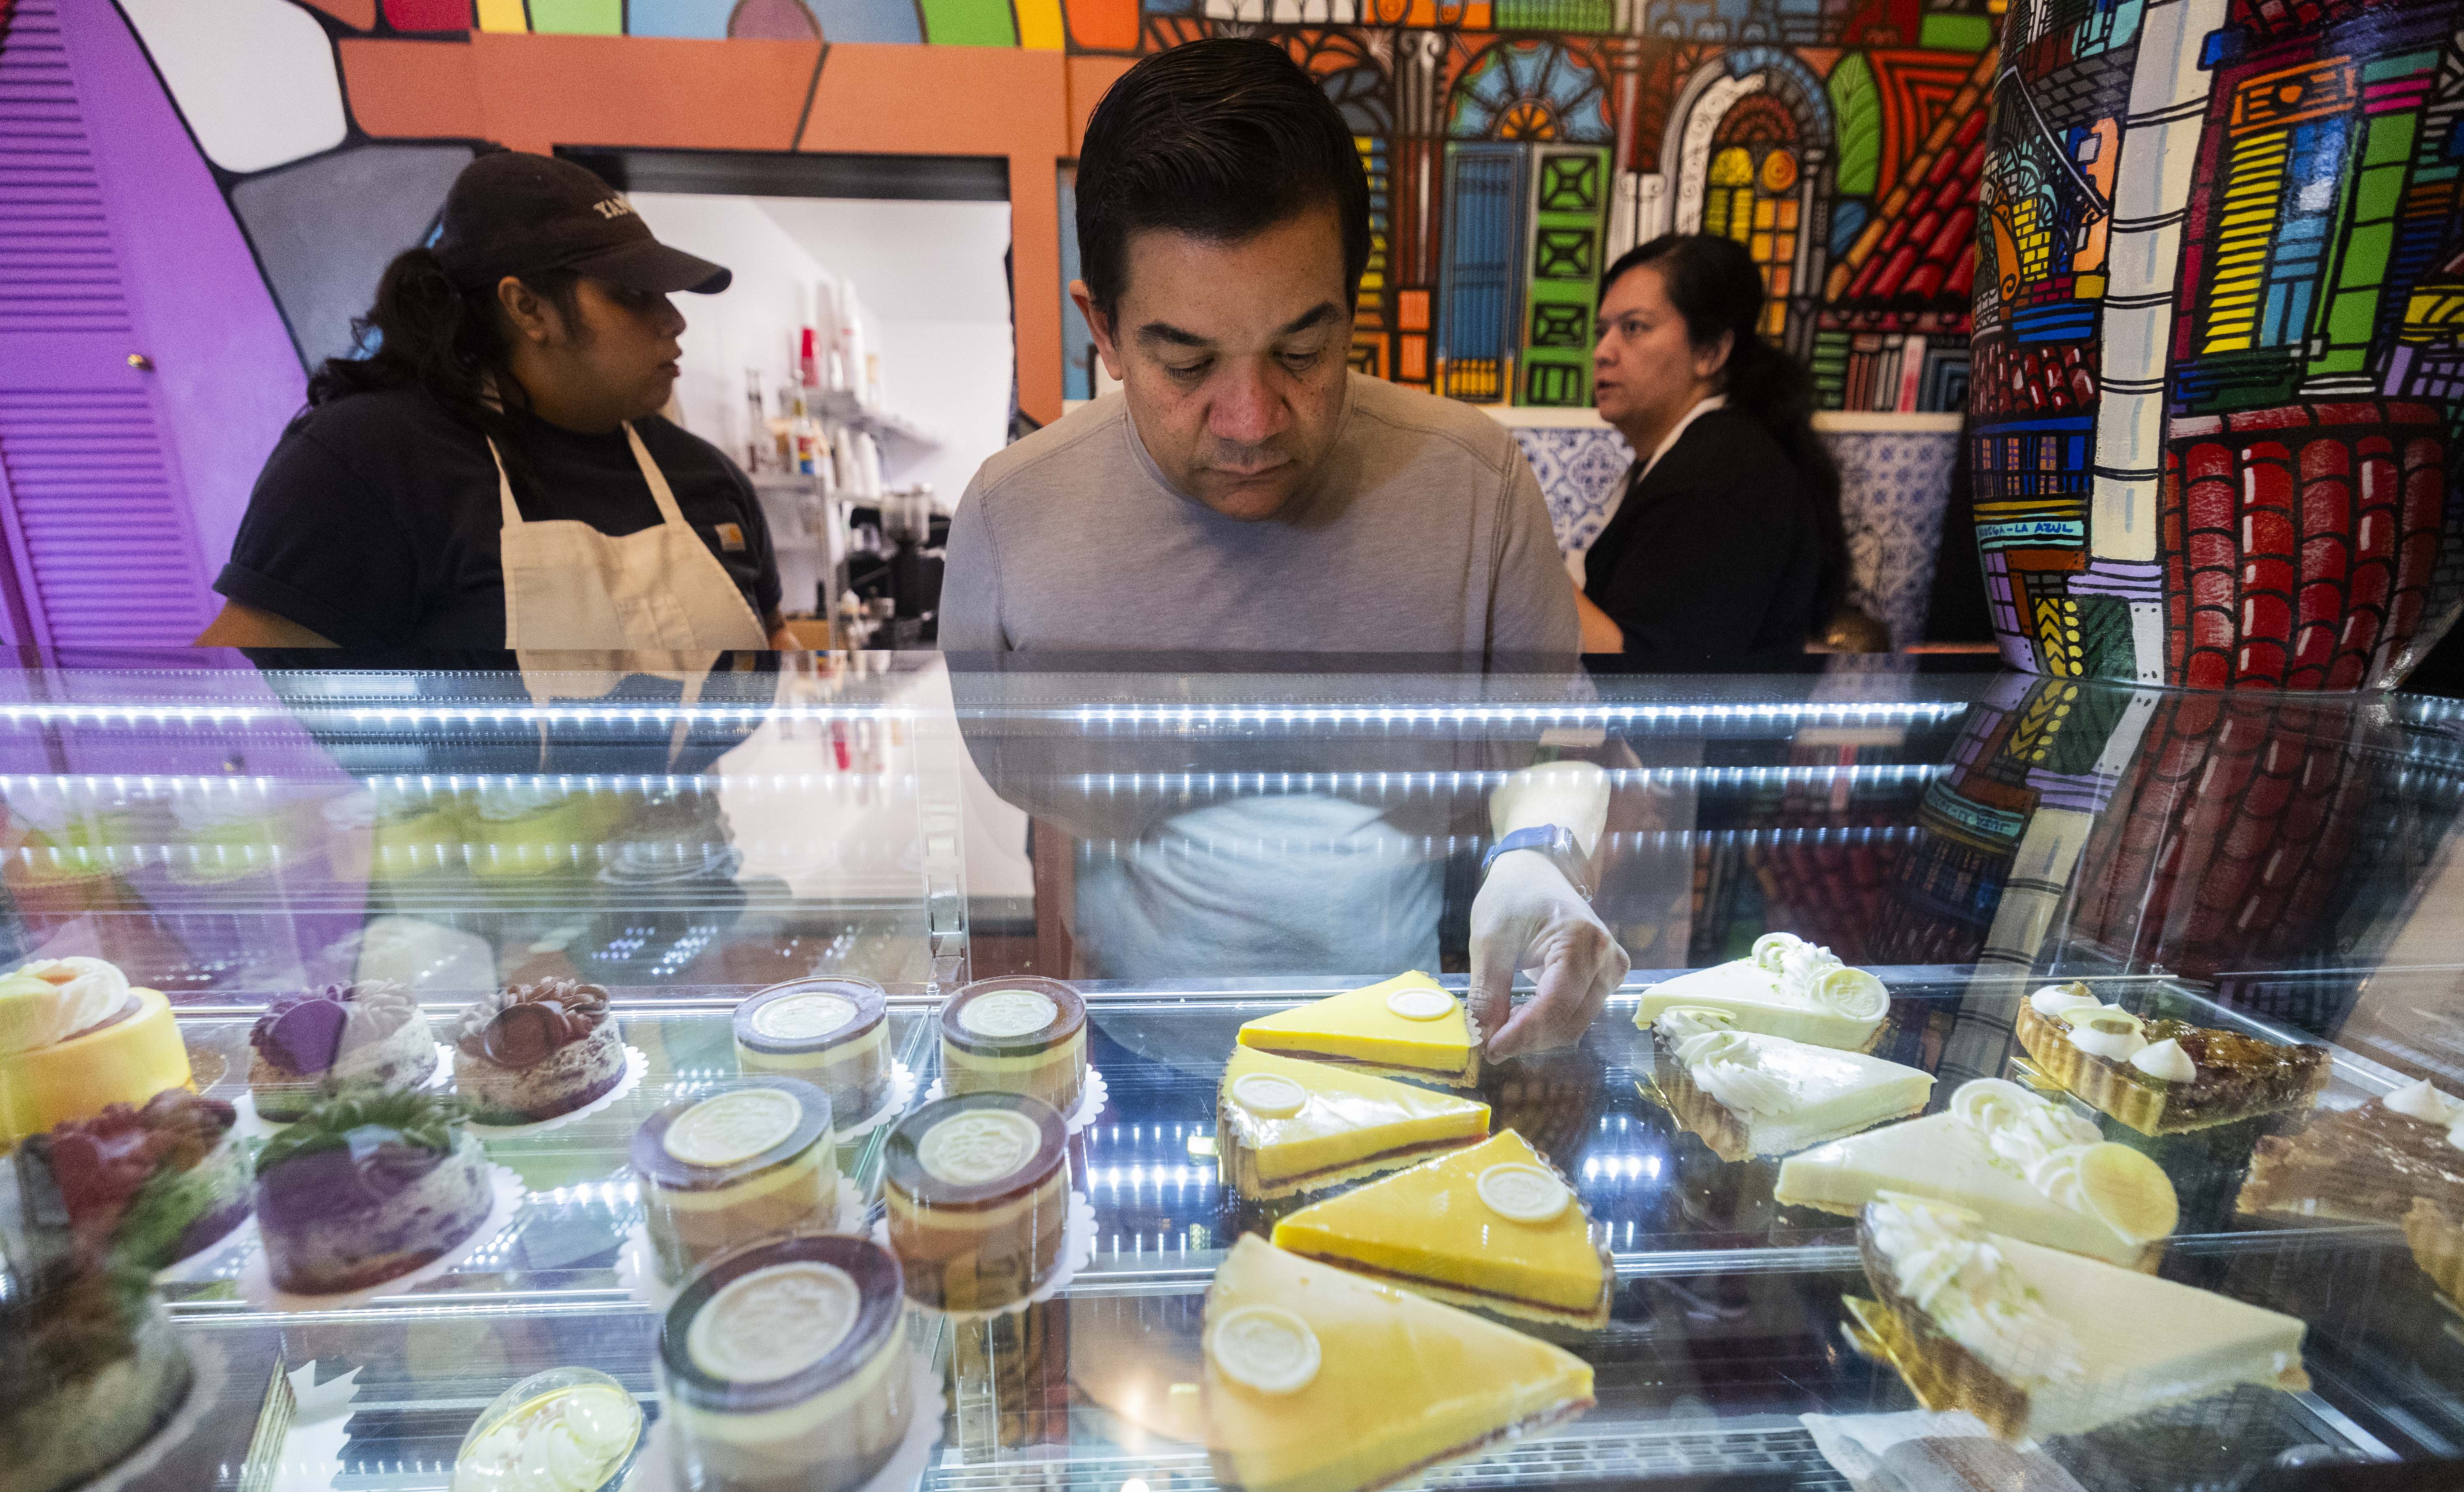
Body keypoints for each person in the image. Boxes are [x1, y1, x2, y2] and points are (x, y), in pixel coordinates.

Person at [939, 38, 1622, 1056]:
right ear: (1106, 330)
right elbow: (1013, 775)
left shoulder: (1473, 485)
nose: (1252, 419)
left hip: (1403, 1041)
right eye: (1187, 362)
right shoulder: (1014, 513)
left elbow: (1554, 744)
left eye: (1303, 352)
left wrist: (1542, 853)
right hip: (1133, 1041)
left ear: (1353, 309)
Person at [196, 151, 794, 654]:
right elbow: (242, 701)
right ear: (528, 308)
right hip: (462, 801)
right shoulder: (368, 462)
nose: (674, 319)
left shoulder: (707, 478)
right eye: (633, 295)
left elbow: (781, 656)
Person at [1577, 234, 1852, 664]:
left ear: (1710, 352)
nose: (1602, 352)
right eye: (1602, 331)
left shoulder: (1721, 476)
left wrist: (1520, 572)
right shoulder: (1696, 455)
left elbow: (1647, 676)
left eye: (1634, 328)